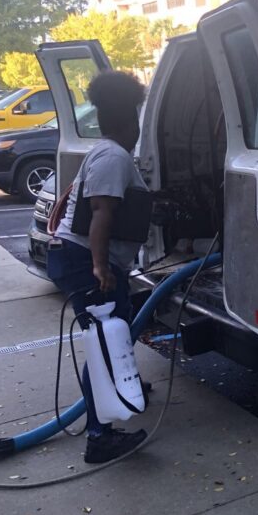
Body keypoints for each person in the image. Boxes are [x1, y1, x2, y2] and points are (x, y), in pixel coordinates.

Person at [47, 70, 150, 464]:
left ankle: (125, 388)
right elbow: (101, 213)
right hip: (82, 262)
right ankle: (99, 437)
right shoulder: (113, 156)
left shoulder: (106, 152)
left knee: (109, 338)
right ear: (131, 122)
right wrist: (100, 266)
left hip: (79, 260)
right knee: (104, 346)